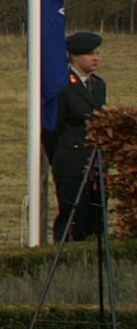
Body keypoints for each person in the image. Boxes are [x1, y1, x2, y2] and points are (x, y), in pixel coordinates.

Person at [46, 31, 107, 242]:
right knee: (73, 218)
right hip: (70, 162)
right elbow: (51, 130)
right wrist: (59, 158)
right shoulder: (62, 86)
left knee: (96, 219)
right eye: (90, 54)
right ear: (74, 56)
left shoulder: (98, 86)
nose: (95, 58)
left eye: (97, 53)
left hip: (95, 163)